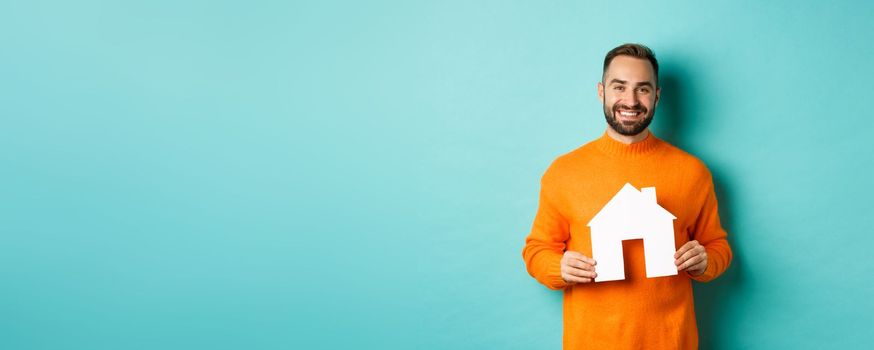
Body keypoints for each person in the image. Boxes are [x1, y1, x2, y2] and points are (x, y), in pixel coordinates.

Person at [521, 43, 733, 349]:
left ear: (657, 96)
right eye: (619, 87)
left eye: (643, 89)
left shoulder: (693, 172)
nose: (630, 100)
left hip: (671, 341)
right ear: (601, 92)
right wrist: (559, 267)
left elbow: (718, 246)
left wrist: (705, 261)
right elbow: (536, 251)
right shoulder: (564, 172)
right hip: (592, 342)